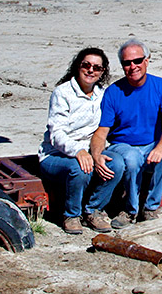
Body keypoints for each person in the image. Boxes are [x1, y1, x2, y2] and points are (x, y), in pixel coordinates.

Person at [91, 38, 162, 228]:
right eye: (127, 63)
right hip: (123, 145)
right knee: (131, 158)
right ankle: (130, 210)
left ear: (146, 60)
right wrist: (97, 155)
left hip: (150, 144)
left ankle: (150, 207)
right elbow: (102, 131)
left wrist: (161, 147)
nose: (133, 66)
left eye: (137, 61)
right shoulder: (113, 92)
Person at [38, 47, 125, 234]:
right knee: (79, 168)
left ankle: (93, 210)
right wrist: (78, 151)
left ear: (102, 72)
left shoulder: (102, 95)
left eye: (97, 67)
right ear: (78, 66)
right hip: (55, 154)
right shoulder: (63, 93)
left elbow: (105, 129)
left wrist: (97, 153)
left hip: (89, 150)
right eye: (86, 65)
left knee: (116, 163)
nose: (91, 70)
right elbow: (56, 134)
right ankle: (71, 214)